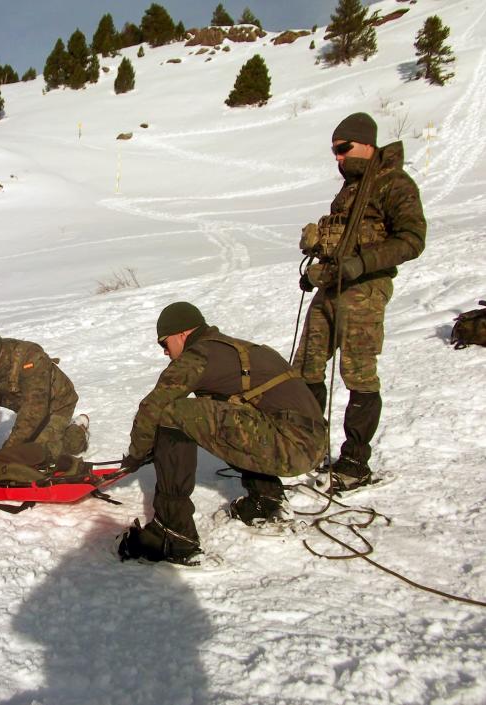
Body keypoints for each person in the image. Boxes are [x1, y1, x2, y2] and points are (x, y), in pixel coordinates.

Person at [116, 302, 326, 565]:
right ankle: (266, 500)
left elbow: (153, 407)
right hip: (309, 443)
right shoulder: (235, 349)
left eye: (164, 343)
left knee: (173, 413)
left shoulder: (199, 355)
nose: (165, 352)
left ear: (182, 333)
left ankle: (172, 533)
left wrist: (136, 454)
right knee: (222, 413)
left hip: (290, 445)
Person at [294, 112, 426, 490]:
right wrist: (318, 256)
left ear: (367, 143)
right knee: (306, 366)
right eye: (334, 151)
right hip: (332, 286)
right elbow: (341, 238)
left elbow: (412, 239)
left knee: (358, 373)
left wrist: (361, 263)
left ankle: (355, 461)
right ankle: (309, 447)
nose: (338, 157)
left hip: (365, 289)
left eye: (343, 148)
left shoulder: (394, 184)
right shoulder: (349, 189)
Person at [0, 328, 89, 474]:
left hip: (58, 404)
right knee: (24, 452)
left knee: (41, 455)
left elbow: (34, 410)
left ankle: (78, 428)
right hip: (25, 406)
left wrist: (6, 454)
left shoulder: (30, 358)